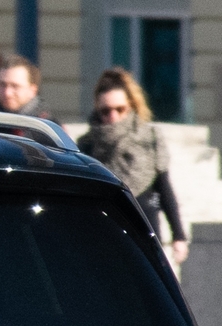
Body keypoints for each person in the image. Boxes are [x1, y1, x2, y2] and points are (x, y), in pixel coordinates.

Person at [80, 67, 188, 265]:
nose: (113, 117)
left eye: (119, 109)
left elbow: (165, 190)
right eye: (105, 111)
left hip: (146, 234)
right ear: (97, 110)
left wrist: (179, 236)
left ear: (130, 106)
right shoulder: (87, 145)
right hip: (105, 238)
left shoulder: (150, 139)